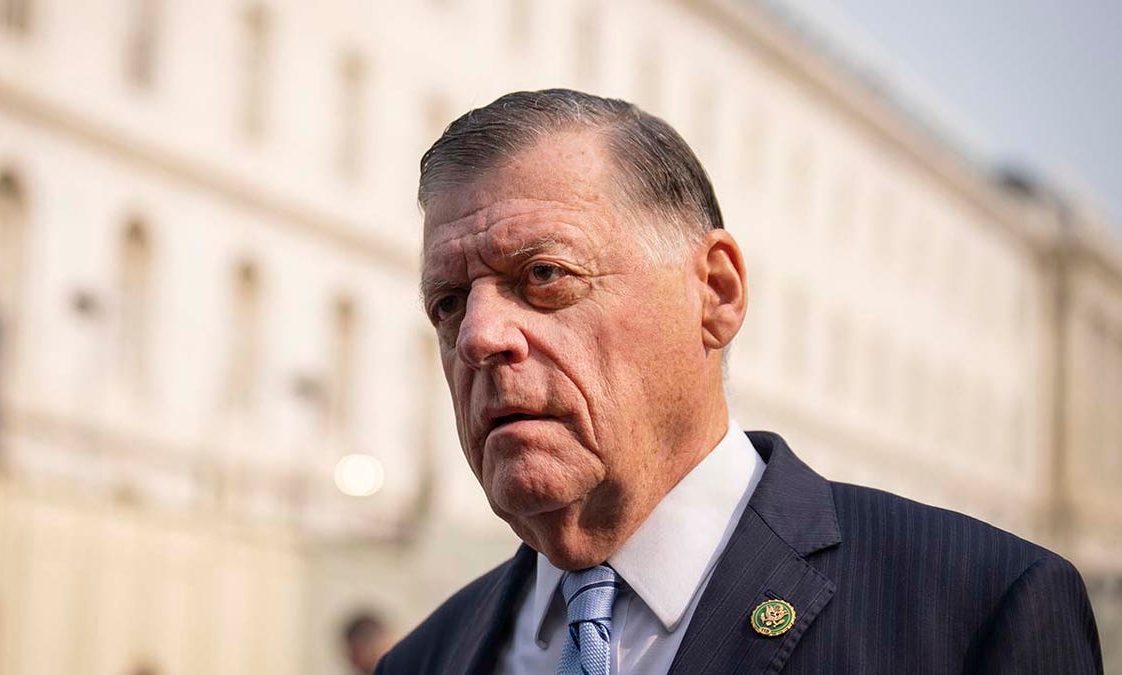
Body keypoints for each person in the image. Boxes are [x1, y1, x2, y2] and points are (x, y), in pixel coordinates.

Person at [376, 89, 1103, 674]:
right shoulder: (422, 660)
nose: (478, 337)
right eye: (448, 303)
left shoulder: (976, 609)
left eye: (543, 275)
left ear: (715, 294)